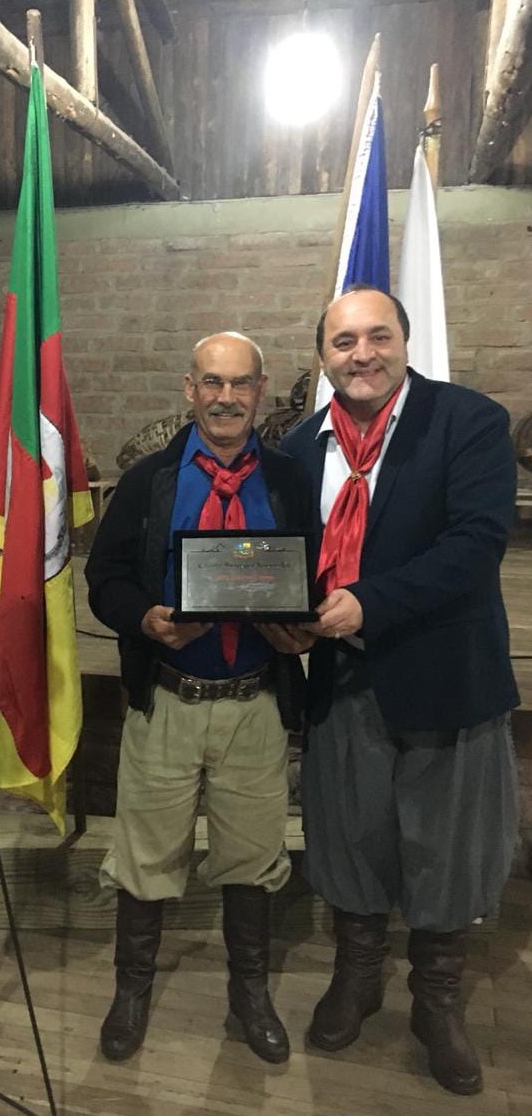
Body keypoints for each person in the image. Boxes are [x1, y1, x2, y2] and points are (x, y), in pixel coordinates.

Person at [277, 285, 519, 1096]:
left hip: (444, 673)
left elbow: (474, 544)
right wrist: (276, 615)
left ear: (404, 342)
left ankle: (437, 1001)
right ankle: (356, 974)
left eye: (376, 336)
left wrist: (368, 603)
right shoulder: (299, 446)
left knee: (443, 846)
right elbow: (281, 557)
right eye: (342, 342)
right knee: (349, 835)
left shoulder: (468, 422)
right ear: (323, 357)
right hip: (340, 678)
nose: (361, 354)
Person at [85, 331, 311, 1065]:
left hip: (254, 704)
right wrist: (142, 619)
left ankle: (249, 992)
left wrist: (299, 629)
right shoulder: (147, 480)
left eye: (239, 384)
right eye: (211, 383)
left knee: (251, 855)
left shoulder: (288, 479)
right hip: (168, 700)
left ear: (259, 388)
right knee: (144, 856)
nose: (224, 398)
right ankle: (132, 988)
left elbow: (314, 569)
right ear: (189, 389)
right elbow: (105, 577)